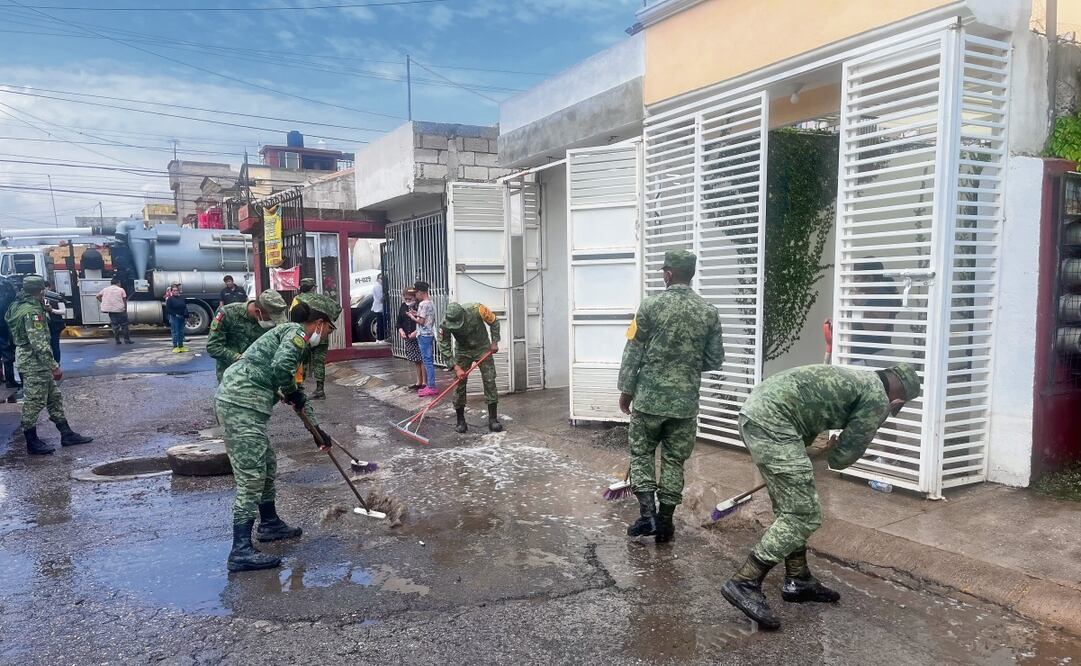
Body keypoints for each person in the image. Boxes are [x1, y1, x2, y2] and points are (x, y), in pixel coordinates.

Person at [720, 362, 921, 631]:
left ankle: (798, 579)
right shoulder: (877, 399)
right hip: (773, 425)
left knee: (790, 508)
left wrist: (822, 446)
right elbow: (842, 458)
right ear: (898, 400)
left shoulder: (862, 379)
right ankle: (745, 581)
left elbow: (809, 405)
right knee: (802, 514)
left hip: (757, 415)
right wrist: (838, 449)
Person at [215, 292, 340, 572]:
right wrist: (291, 391)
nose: (327, 336)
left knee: (267, 464)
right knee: (251, 475)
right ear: (319, 323)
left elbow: (295, 392)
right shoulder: (297, 334)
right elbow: (282, 369)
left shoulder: (293, 337)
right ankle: (240, 550)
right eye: (330, 330)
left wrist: (316, 430)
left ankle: (269, 524)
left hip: (246, 405)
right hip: (239, 404)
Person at [617, 249, 725, 545]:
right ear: (691, 275)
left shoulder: (649, 306)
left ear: (668, 274)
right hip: (685, 403)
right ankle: (665, 523)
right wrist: (685, 365)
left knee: (642, 454)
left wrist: (626, 391)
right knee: (674, 461)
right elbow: (715, 359)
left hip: (649, 400)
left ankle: (647, 516)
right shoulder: (708, 311)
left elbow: (633, 352)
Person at [5, 275, 93, 455]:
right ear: (41, 290)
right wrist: (54, 366)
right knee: (34, 402)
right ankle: (31, 441)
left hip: (32, 360)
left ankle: (66, 434)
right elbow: (38, 343)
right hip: (34, 363)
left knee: (54, 398)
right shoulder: (32, 312)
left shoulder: (18, 305)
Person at [438, 301, 502, 433]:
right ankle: (460, 420)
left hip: (482, 348)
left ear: (463, 314)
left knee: (489, 380)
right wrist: (456, 367)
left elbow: (494, 321)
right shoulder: (444, 324)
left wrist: (494, 342)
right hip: (462, 351)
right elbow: (444, 346)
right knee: (459, 383)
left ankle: (493, 419)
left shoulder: (478, 309)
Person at [207, 290, 288, 383]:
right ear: (258, 312)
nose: (273, 322)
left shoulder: (270, 323)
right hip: (231, 376)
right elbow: (213, 346)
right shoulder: (228, 313)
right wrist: (238, 358)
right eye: (271, 318)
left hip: (259, 377)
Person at [850, 261, 900, 367]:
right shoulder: (870, 296)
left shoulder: (881, 296)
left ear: (869, 278)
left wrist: (861, 305)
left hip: (871, 359)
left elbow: (875, 327)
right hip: (866, 358)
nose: (853, 282)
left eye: (857, 278)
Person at [291, 278, 330, 399]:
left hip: (306, 333)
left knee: (302, 360)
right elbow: (337, 309)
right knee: (319, 361)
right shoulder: (323, 299)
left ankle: (300, 390)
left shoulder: (297, 299)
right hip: (321, 332)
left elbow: (294, 317)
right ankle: (320, 390)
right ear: (313, 288)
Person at [409, 281, 438, 397]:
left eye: (416, 293)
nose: (415, 296)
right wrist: (417, 313)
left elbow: (421, 321)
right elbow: (427, 317)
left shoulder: (422, 304)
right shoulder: (430, 303)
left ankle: (431, 386)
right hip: (429, 333)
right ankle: (430, 385)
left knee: (427, 361)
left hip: (423, 334)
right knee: (428, 360)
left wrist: (412, 317)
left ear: (421, 292)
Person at [397, 287, 424, 390]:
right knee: (416, 360)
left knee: (422, 359)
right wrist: (401, 331)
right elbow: (399, 321)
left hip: (418, 335)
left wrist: (416, 332)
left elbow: (424, 322)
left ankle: (424, 382)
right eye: (406, 299)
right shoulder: (403, 306)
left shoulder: (420, 306)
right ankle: (418, 381)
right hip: (408, 337)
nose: (408, 301)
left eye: (410, 298)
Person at [96, 277, 132, 345]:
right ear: (118, 283)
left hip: (111, 311)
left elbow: (97, 296)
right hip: (120, 310)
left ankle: (117, 340)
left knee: (115, 325)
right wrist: (125, 309)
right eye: (120, 283)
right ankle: (127, 340)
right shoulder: (121, 290)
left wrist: (102, 301)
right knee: (124, 325)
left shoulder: (105, 289)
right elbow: (124, 300)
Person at [0, 275, 19, 389]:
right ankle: (10, 380)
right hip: (4, 330)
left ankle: (7, 379)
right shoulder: (6, 298)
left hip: (3, 329)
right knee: (8, 355)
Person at [165, 281, 189, 353]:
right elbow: (168, 309)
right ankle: (175, 347)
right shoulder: (170, 299)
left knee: (181, 332)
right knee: (175, 332)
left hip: (182, 317)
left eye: (176, 290)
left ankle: (181, 346)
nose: (175, 292)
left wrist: (186, 316)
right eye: (174, 291)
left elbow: (185, 307)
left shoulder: (181, 298)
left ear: (178, 291)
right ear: (172, 291)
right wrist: (175, 315)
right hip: (174, 318)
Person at [44, 286, 65, 364]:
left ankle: (56, 363)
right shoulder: (38, 299)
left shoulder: (56, 297)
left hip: (55, 325)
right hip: (45, 325)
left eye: (46, 287)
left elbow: (63, 311)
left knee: (55, 345)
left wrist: (51, 310)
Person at [371, 274, 385, 341]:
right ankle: (380, 338)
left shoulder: (379, 286)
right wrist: (384, 296)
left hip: (379, 307)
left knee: (380, 323)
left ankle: (379, 338)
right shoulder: (378, 286)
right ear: (377, 279)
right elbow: (380, 298)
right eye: (380, 278)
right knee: (380, 323)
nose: (382, 280)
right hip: (379, 308)